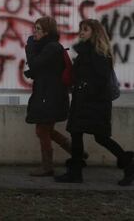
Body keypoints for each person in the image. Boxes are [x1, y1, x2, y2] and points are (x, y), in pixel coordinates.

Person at [55, 19, 134, 186]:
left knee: (101, 137)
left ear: (95, 32)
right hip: (84, 101)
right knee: (76, 134)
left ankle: (128, 163)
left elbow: (101, 80)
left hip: (95, 103)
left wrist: (85, 89)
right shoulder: (85, 51)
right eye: (80, 29)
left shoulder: (98, 53)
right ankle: (75, 172)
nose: (81, 32)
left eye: (85, 29)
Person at [25, 16, 75, 176]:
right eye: (35, 28)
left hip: (51, 95)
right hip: (49, 94)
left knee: (42, 130)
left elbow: (35, 63)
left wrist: (30, 47)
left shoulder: (51, 48)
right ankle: (77, 153)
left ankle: (47, 166)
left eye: (38, 29)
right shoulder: (48, 47)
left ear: (47, 32)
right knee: (47, 130)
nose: (35, 33)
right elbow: (42, 69)